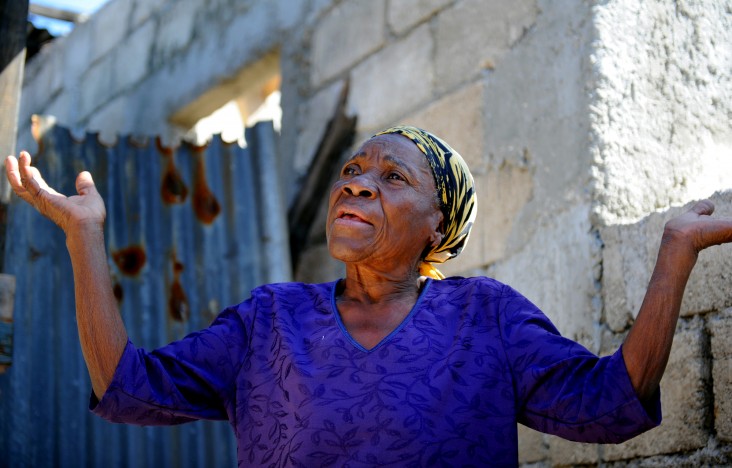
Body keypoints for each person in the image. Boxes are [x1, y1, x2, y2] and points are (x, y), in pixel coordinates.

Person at [5, 126, 732, 466]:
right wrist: (84, 239)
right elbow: (127, 386)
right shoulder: (269, 320)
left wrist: (675, 254)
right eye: (353, 170)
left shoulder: (488, 317)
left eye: (393, 178)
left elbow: (611, 404)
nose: (357, 181)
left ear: (438, 224)